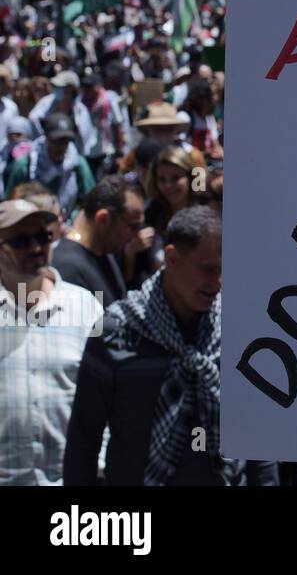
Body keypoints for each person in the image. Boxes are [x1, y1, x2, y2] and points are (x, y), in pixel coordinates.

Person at [64, 206, 273, 485]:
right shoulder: (115, 331)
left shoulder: (238, 330)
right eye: (209, 270)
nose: (219, 283)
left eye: (226, 270)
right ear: (172, 258)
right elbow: (84, 439)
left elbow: (257, 433)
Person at [0, 199, 103, 484]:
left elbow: (108, 393)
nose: (35, 248)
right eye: (20, 240)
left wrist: (102, 462)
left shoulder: (84, 306)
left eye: (43, 237)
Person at [51, 176, 149, 308]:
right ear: (103, 219)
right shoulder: (68, 269)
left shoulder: (104, 249)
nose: (138, 235)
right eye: (133, 227)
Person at [5, 114, 95, 217]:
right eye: (55, 140)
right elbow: (11, 202)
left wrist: (72, 220)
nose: (60, 146)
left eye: (64, 141)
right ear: (46, 138)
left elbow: (89, 201)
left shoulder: (78, 164)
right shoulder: (26, 165)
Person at [28, 70, 95, 157]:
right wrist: (46, 136)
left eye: (61, 86)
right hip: (46, 154)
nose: (56, 88)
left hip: (72, 156)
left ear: (72, 89)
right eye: (55, 86)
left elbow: (86, 139)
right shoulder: (47, 102)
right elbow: (33, 118)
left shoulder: (80, 110)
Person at [78, 70, 124, 180]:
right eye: (84, 86)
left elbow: (117, 126)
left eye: (90, 86)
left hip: (105, 152)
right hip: (85, 153)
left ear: (98, 86)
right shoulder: (79, 103)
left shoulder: (109, 101)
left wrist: (119, 153)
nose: (87, 90)